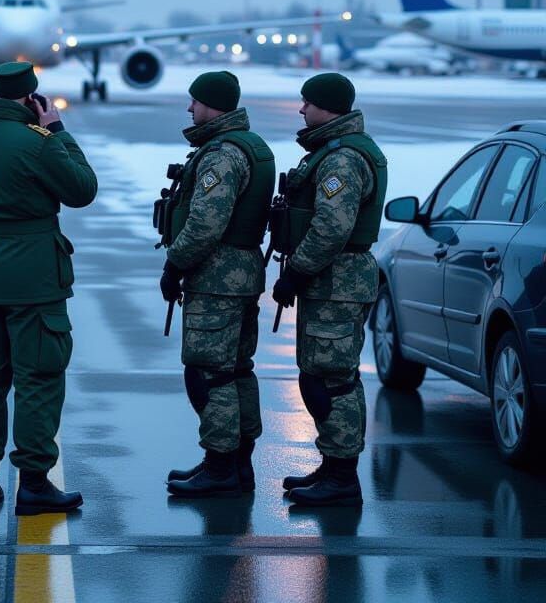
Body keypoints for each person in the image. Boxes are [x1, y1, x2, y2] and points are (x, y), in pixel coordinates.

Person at [0, 61, 98, 514]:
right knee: (37, 377)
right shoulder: (39, 143)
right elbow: (82, 189)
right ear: (32, 98)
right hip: (33, 274)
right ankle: (33, 482)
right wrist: (58, 131)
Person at [271, 73, 387, 507]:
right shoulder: (335, 151)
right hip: (331, 280)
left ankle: (342, 477)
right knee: (319, 375)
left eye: (307, 103)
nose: (301, 110)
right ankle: (333, 465)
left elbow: (331, 228)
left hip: (337, 280)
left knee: (332, 381)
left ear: (327, 107)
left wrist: (296, 272)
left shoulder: (342, 160)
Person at [159, 71, 275, 498]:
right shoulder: (251, 146)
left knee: (209, 373)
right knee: (236, 369)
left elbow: (206, 222)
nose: (190, 109)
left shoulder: (222, 154)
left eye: (195, 101)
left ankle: (221, 465)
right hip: (242, 273)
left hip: (218, 276)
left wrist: (175, 264)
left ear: (213, 104)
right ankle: (237, 464)